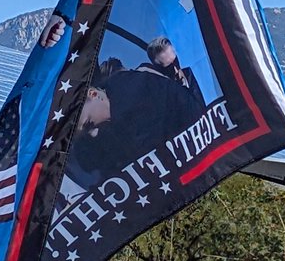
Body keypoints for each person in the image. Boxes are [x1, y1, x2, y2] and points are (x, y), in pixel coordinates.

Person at [74, 62, 205, 176]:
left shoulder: (130, 109)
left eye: (88, 124)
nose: (93, 133)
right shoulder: (124, 82)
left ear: (93, 94)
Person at [142, 36, 205, 109]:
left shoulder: (198, 75)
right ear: (159, 70)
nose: (176, 70)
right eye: (169, 68)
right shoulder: (163, 98)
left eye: (176, 62)